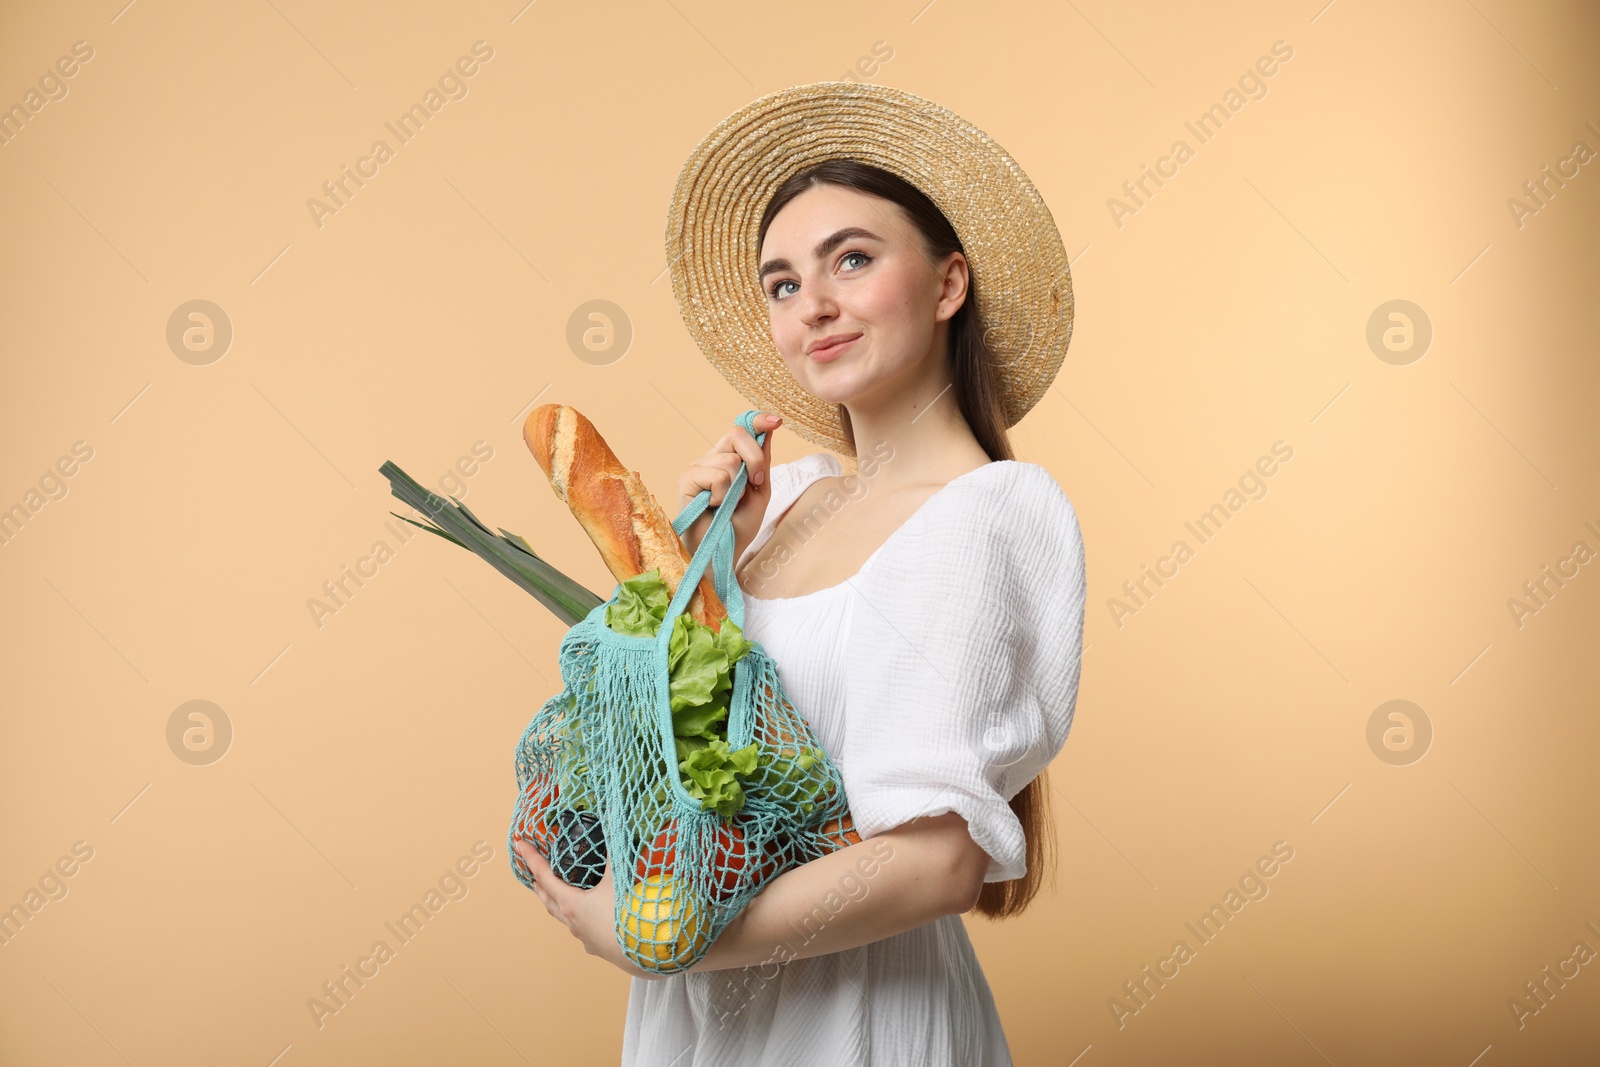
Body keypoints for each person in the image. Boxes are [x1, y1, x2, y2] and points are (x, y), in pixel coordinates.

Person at [514, 82, 1087, 1066]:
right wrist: (706, 570)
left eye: (851, 260)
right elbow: (683, 752)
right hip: (699, 1021)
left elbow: (937, 863)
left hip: (854, 1020)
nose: (812, 304)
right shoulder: (792, 500)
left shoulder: (987, 514)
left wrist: (648, 937)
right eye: (781, 283)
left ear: (948, 284)